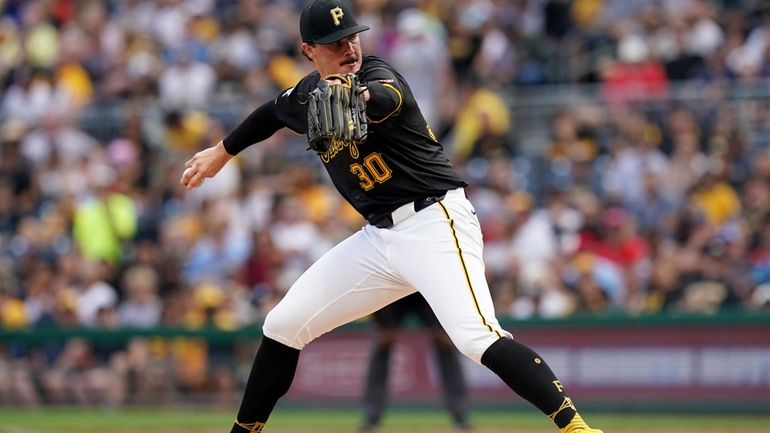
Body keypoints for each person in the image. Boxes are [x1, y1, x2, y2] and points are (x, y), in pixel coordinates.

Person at [179, 1, 603, 432]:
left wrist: (360, 96)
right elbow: (270, 113)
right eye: (335, 43)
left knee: (476, 337)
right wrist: (221, 152)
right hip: (379, 239)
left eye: (352, 37)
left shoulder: (377, 74)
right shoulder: (306, 97)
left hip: (435, 220)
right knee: (283, 325)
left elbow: (387, 96)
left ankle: (577, 429)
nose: (349, 48)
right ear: (309, 50)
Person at [360, 293, 470, 432]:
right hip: (393, 289)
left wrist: (445, 322)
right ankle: (371, 420)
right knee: (382, 344)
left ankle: (461, 419)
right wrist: (381, 322)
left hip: (427, 290)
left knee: (445, 344)